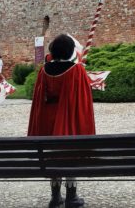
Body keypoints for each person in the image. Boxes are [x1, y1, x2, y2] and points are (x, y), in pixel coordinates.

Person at [28, 34, 96, 208]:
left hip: (47, 118)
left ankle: (55, 196)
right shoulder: (76, 70)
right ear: (70, 51)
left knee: (52, 154)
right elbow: (82, 101)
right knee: (69, 151)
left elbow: (39, 99)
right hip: (67, 115)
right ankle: (71, 197)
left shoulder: (44, 70)